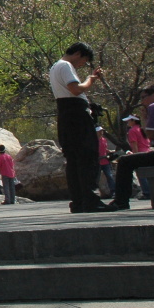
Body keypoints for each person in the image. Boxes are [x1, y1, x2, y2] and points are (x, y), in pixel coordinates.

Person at [51, 42, 115, 213]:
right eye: (84, 61)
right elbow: (76, 89)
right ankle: (90, 200)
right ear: (78, 54)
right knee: (87, 156)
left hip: (66, 114)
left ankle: (78, 200)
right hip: (76, 116)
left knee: (74, 160)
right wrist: (90, 80)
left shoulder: (55, 67)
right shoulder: (65, 65)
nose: (82, 65)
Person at [112, 85, 154, 210]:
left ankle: (121, 201)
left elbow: (150, 135)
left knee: (124, 161)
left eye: (144, 97)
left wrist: (145, 118)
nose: (142, 102)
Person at [96, 126, 115, 197]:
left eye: (102, 131)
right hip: (97, 161)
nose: (101, 132)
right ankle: (96, 192)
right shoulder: (94, 140)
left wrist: (109, 151)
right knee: (96, 178)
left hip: (105, 161)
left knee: (109, 176)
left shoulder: (104, 140)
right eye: (99, 131)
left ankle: (113, 191)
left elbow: (105, 149)